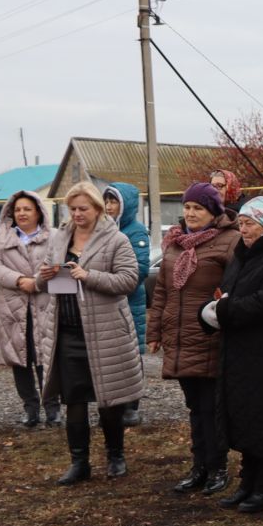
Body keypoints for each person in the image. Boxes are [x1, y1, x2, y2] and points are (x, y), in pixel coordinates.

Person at [202, 195, 263, 514]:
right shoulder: (242, 254)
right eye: (241, 223)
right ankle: (247, 481)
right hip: (239, 350)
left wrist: (226, 309)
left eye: (249, 223)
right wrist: (212, 311)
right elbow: (226, 291)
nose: (242, 229)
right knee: (244, 413)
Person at [43, 181, 146, 483]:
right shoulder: (60, 238)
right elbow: (46, 279)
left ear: (97, 209)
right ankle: (79, 462)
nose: (77, 214)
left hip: (106, 331)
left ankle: (115, 455)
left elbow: (128, 280)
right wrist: (45, 275)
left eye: (83, 208)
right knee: (73, 399)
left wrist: (89, 276)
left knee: (109, 400)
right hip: (68, 330)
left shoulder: (116, 240)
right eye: (72, 209)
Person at [149, 182, 240, 497]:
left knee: (211, 407)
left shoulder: (229, 241)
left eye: (198, 208)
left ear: (213, 212)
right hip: (179, 337)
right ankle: (198, 467)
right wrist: (154, 332)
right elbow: (161, 291)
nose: (190, 213)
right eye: (187, 207)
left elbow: (235, 289)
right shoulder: (175, 243)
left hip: (211, 336)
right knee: (194, 407)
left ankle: (218, 468)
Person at [0, 189, 60, 428]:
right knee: (20, 357)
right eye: (17, 209)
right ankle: (30, 408)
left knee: (46, 357)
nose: (22, 213)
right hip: (12, 308)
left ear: (39, 212)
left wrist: (37, 281)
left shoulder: (54, 237)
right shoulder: (3, 237)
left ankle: (53, 408)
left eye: (27, 209)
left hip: (45, 303)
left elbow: (59, 267)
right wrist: (20, 280)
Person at [101, 182, 149, 427]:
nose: (109, 207)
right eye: (106, 201)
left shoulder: (136, 231)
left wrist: (106, 278)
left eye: (114, 202)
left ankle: (132, 406)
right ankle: (112, 404)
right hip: (104, 302)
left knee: (131, 353)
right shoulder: (100, 230)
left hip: (130, 302)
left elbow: (140, 269)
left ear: (125, 205)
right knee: (108, 354)